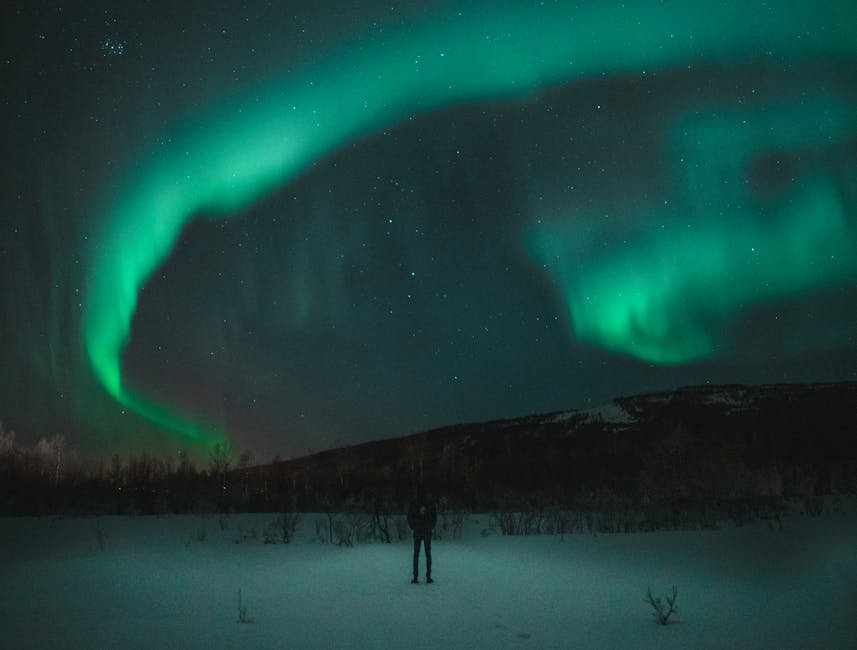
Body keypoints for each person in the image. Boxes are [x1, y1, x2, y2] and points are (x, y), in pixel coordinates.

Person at [407, 485, 437, 584]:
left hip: (418, 531)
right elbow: (434, 516)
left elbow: (409, 516)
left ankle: (416, 577)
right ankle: (428, 577)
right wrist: (431, 526)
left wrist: (413, 526)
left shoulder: (414, 503)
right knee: (427, 554)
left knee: (417, 554)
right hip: (426, 531)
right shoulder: (429, 502)